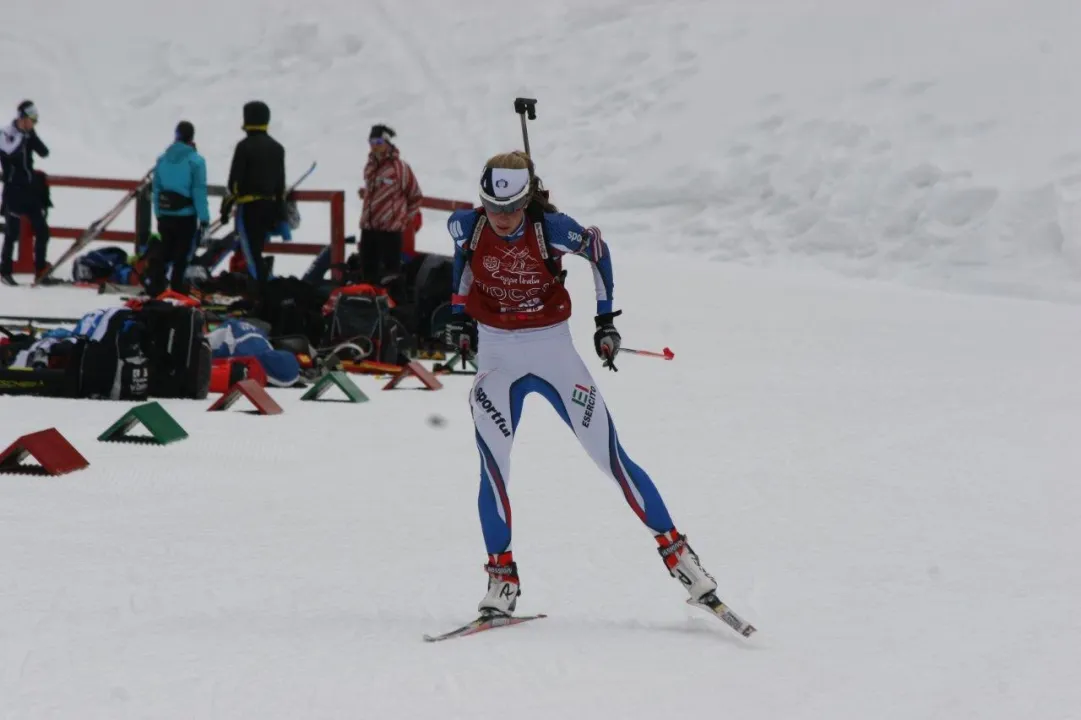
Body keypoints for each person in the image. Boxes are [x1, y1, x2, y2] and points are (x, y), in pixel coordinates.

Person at [444, 151, 720, 618]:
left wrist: (605, 321)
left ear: (528, 201)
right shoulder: (465, 226)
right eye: (493, 208)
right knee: (492, 467)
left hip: (553, 352)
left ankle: (681, 559)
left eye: (512, 209)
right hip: (496, 356)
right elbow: (463, 263)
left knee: (612, 457)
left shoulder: (550, 228)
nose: (503, 219)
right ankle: (501, 579)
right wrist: (456, 314)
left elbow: (598, 253)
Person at [220, 101, 286, 301]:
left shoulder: (244, 147)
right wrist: (280, 214)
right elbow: (280, 185)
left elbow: (234, 184)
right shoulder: (277, 148)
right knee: (257, 250)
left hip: (249, 208)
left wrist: (225, 209)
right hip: (270, 207)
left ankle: (260, 296)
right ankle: (263, 291)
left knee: (250, 253)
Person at [149, 121, 209, 296]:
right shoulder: (196, 161)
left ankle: (156, 285)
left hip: (165, 213)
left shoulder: (162, 159)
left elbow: (156, 188)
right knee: (182, 255)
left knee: (164, 250)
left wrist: (158, 213)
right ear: (192, 137)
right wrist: (204, 219)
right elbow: (199, 191)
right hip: (186, 215)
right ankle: (177, 288)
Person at [358, 124, 422, 285]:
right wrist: (366, 194)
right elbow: (379, 192)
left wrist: (405, 218)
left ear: (387, 142)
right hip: (369, 229)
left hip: (390, 232)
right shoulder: (370, 166)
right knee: (368, 276)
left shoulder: (400, 167)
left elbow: (415, 195)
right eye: (371, 142)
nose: (374, 146)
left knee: (390, 279)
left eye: (379, 141)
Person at [0, 100, 50, 285]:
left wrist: (32, 135)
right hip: (13, 190)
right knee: (12, 233)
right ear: (22, 118)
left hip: (29, 190)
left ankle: (40, 270)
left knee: (42, 231)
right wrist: (22, 136)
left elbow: (44, 152)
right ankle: (5, 271)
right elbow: (9, 151)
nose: (33, 124)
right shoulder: (6, 133)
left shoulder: (29, 134)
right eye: (32, 120)